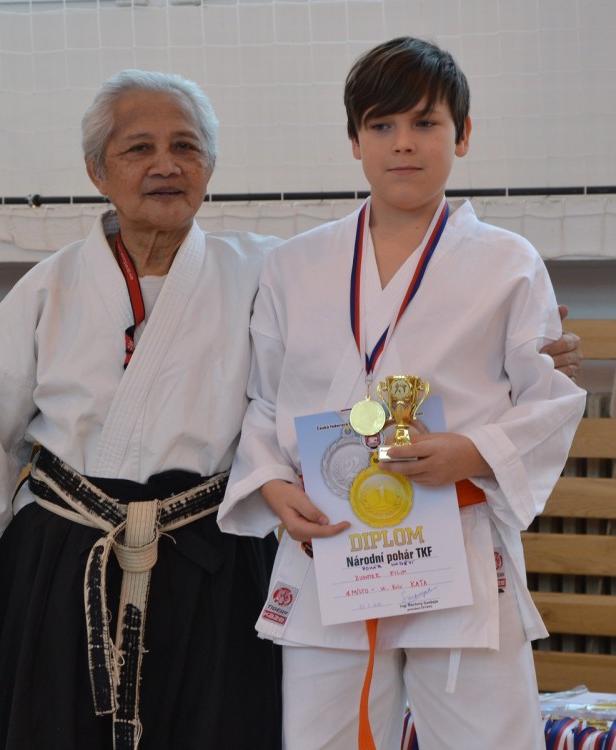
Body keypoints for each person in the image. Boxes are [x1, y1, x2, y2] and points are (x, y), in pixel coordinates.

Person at [0, 71, 282, 750]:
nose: (166, 165)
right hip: (60, 564)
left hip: (211, 562)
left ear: (210, 167)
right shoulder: (52, 285)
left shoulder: (263, 274)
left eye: (186, 147)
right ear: (97, 171)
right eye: (139, 149)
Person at [217, 37, 586, 750]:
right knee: (323, 737)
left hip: (456, 534)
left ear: (463, 135)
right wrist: (270, 483)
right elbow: (264, 400)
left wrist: (471, 450)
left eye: (425, 123)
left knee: (486, 736)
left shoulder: (508, 263)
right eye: (382, 125)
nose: (404, 143)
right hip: (333, 537)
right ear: (354, 141)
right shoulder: (295, 265)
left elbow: (550, 398)